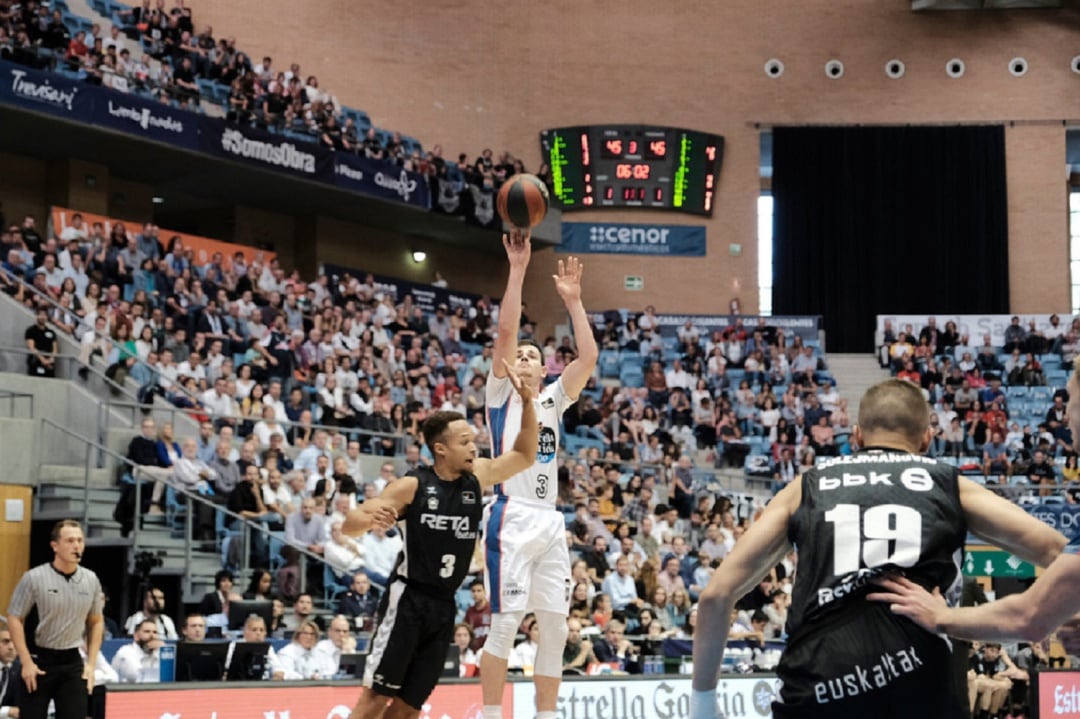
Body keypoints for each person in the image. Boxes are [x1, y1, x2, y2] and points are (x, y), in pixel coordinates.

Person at [689, 379, 1067, 719]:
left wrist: (704, 704)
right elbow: (1054, 549)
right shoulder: (949, 485)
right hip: (922, 692)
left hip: (817, 694)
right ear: (926, 441)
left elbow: (715, 596)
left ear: (855, 436)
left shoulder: (805, 488)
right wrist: (1062, 612)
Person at [341, 360, 538, 719]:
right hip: (409, 599)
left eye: (473, 439)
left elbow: (525, 455)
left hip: (445, 605)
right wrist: (372, 521)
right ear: (440, 449)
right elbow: (349, 524)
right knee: (374, 700)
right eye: (465, 442)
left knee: (408, 708)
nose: (474, 447)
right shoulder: (412, 485)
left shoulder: (476, 477)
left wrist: (528, 404)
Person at [480, 232, 598, 719]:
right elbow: (506, 332)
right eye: (521, 355)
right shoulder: (501, 392)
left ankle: (546, 716)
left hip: (549, 520)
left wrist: (574, 303)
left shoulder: (553, 397)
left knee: (555, 628)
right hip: (509, 513)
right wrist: (518, 269)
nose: (526, 358)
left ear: (546, 368)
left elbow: (587, 358)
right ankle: (490, 715)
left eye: (534, 355)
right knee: (505, 626)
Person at [7, 520, 105, 719]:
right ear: (55, 546)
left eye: (79, 540)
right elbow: (14, 617)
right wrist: (25, 661)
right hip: (39, 660)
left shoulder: (91, 579)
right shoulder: (34, 577)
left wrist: (91, 665)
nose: (76, 545)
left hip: (72, 661)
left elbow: (96, 621)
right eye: (69, 540)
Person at [0, 620, 22, 717]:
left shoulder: (18, 670)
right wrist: (7, 711)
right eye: (6, 641)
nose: (12, 647)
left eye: (15, 642)